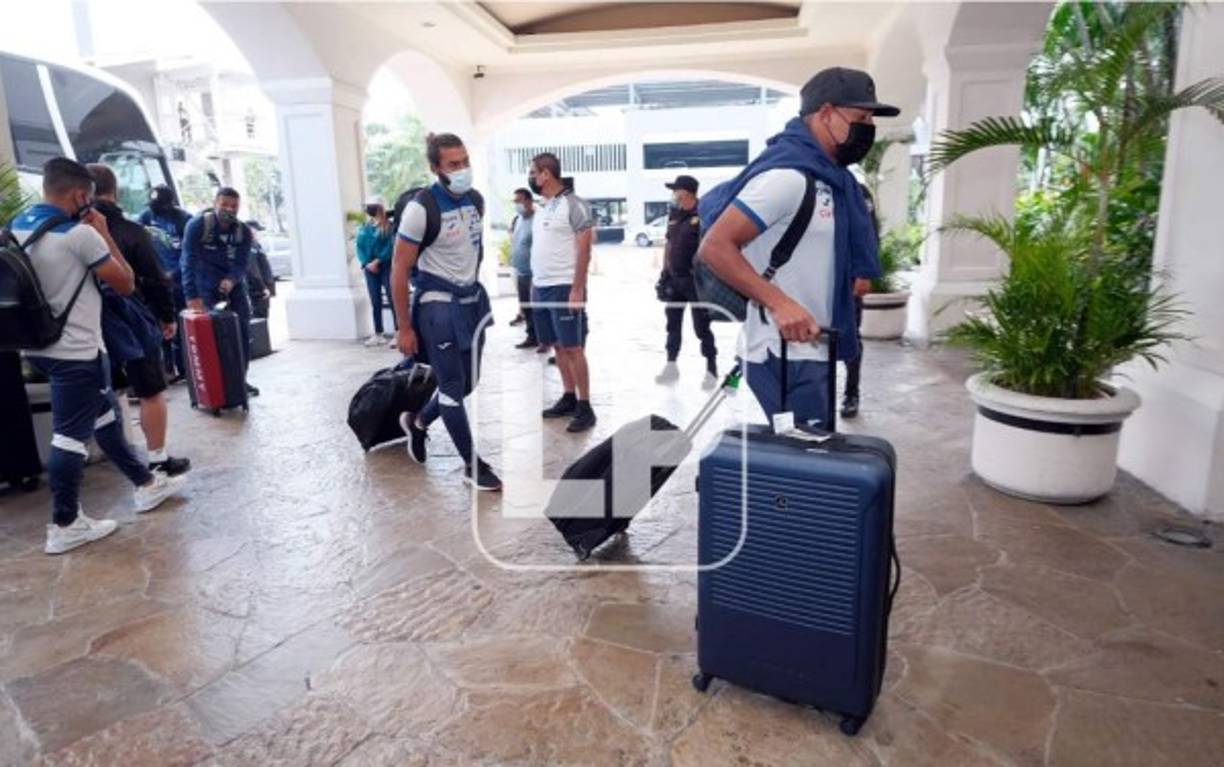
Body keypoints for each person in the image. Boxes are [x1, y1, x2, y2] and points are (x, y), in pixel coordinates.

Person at [698, 67, 892, 428]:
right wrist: (780, 302)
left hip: (812, 346)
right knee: (806, 463)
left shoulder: (835, 182)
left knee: (803, 459)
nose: (868, 128)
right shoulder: (786, 178)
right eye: (860, 117)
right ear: (826, 114)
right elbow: (716, 247)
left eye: (870, 119)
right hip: (785, 349)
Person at [14, 158, 185, 555]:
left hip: (37, 348)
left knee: (106, 412)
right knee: (70, 436)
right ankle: (65, 523)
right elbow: (125, 283)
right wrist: (104, 234)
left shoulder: (16, 229)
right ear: (79, 195)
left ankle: (146, 484)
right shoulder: (79, 235)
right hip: (77, 351)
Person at [391, 133, 501, 491]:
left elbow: (474, 250)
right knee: (452, 387)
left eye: (465, 161)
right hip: (437, 306)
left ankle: (419, 422)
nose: (462, 169)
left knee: (469, 383)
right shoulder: (421, 208)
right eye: (453, 164)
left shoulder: (476, 200)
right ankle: (472, 466)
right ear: (436, 167)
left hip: (471, 302)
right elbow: (398, 269)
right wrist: (403, 327)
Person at [87, 164, 192, 477]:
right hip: (133, 322)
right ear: (114, 190)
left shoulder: (70, 231)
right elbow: (155, 279)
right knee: (151, 391)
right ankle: (157, 458)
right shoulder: (131, 231)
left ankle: (122, 460)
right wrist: (167, 316)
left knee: (109, 393)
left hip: (90, 324)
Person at [528, 152, 597, 433]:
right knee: (556, 345)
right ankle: (568, 397)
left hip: (564, 285)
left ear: (546, 173)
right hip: (541, 286)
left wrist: (577, 287)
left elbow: (585, 248)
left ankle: (585, 405)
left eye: (534, 172)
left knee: (573, 347)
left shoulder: (575, 204)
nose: (532, 177)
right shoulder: (543, 207)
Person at [182, 187, 259, 397]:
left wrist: (232, 280)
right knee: (213, 337)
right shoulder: (198, 225)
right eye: (224, 204)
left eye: (234, 206)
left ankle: (240, 381)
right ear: (215, 203)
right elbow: (187, 260)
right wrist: (192, 296)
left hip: (232, 288)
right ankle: (217, 384)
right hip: (205, 287)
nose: (229, 209)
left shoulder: (242, 231)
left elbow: (242, 263)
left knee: (242, 333)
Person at [654, 174, 718, 389]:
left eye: (676, 190)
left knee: (702, 327)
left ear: (686, 192)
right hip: (674, 280)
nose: (673, 194)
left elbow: (711, 247)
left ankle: (711, 368)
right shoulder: (674, 214)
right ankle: (671, 366)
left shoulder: (703, 214)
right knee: (672, 325)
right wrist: (664, 273)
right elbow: (669, 244)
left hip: (695, 281)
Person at [139, 184, 192, 382]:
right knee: (161, 329)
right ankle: (167, 369)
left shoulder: (184, 220)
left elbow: (189, 254)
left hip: (179, 284)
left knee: (181, 328)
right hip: (156, 283)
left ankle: (185, 368)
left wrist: (174, 273)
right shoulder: (146, 217)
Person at [841, 185, 880, 419]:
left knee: (851, 335)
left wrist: (864, 274)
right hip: (812, 277)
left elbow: (869, 233)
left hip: (848, 277)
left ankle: (851, 393)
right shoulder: (802, 182)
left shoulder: (857, 191)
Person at [357, 198, 397, 347]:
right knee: (375, 301)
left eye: (370, 206)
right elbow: (359, 247)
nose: (368, 209)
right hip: (369, 269)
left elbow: (390, 246)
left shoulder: (389, 227)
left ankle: (397, 332)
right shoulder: (365, 227)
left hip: (385, 266)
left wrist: (378, 260)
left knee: (393, 299)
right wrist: (367, 263)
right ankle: (378, 333)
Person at [509, 188, 538, 348]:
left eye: (519, 201)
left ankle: (544, 339)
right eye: (515, 202)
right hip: (521, 271)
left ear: (529, 201)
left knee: (537, 308)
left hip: (534, 273)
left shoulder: (537, 220)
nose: (517, 205)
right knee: (526, 306)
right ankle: (531, 336)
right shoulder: (518, 219)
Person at [244, 219, 277, 320]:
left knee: (262, 318)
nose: (259, 234)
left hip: (261, 291)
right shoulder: (250, 246)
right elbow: (252, 269)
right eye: (257, 230)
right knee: (259, 320)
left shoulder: (256, 245)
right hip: (257, 291)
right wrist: (262, 288)